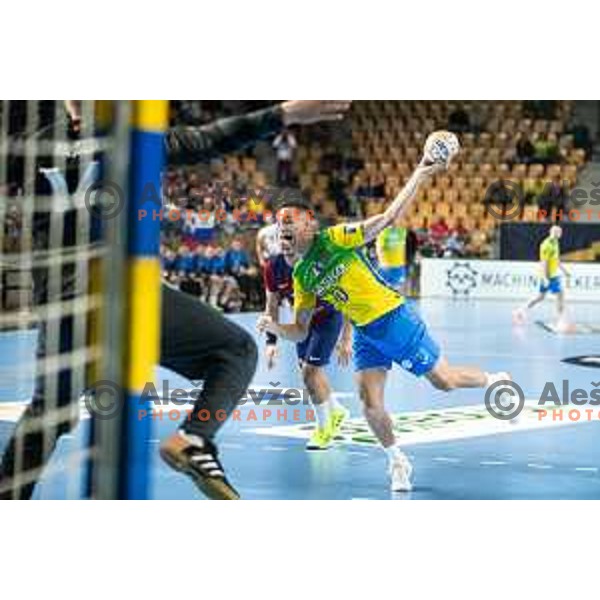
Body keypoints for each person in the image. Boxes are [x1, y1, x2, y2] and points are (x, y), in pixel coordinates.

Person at [1, 100, 351, 500]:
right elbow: (209, 139)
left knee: (48, 416)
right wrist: (284, 114)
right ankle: (195, 437)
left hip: (64, 306)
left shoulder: (30, 147)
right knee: (235, 351)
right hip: (123, 291)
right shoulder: (132, 137)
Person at [258, 148, 510, 493]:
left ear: (310, 225)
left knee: (445, 381)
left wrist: (421, 172)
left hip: (394, 320)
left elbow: (389, 217)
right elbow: (300, 330)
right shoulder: (302, 275)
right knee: (369, 402)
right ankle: (397, 460)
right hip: (365, 332)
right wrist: (274, 329)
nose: (283, 225)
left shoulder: (335, 239)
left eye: (291, 220)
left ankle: (493, 379)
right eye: (279, 223)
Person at [261, 236, 350, 450]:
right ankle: (336, 410)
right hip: (300, 322)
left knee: (310, 373)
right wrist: (271, 342)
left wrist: (345, 338)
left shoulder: (319, 262)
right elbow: (272, 303)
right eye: (281, 237)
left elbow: (347, 298)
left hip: (327, 318)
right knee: (308, 371)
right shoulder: (273, 267)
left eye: (290, 237)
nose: (285, 242)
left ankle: (323, 429)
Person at [512, 225, 570, 326]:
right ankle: (560, 320)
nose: (560, 234)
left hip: (553, 274)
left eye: (560, 232)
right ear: (552, 232)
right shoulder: (546, 245)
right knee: (560, 295)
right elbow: (543, 262)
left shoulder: (556, 242)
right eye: (558, 232)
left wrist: (564, 270)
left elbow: (556, 259)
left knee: (540, 297)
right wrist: (544, 277)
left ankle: (520, 311)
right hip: (549, 276)